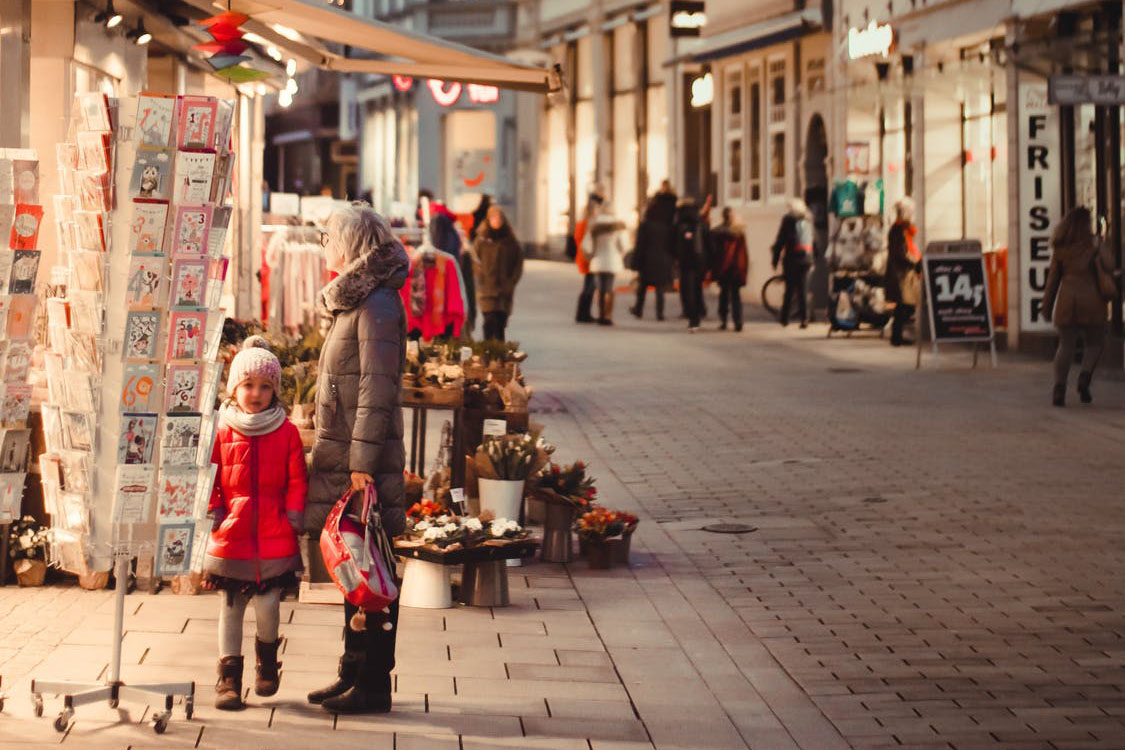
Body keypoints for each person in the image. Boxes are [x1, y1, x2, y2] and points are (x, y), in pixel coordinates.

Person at [306, 203, 409, 714]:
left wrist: (362, 460)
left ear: (351, 242)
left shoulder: (378, 304)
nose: (325, 245)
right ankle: (352, 673)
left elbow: (377, 387)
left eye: (329, 237)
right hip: (349, 453)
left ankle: (374, 684)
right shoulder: (358, 300)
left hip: (365, 461)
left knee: (375, 573)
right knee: (356, 570)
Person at [204, 336, 307, 712]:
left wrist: (293, 515)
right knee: (231, 606)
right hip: (231, 534)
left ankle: (267, 661)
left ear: (275, 391)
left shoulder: (287, 431)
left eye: (265, 386)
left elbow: (297, 479)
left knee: (268, 605)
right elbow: (210, 474)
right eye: (248, 385)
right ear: (234, 387)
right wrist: (214, 509)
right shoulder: (221, 428)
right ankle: (229, 677)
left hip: (274, 533)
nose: (256, 393)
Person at [1043, 206, 1115, 406]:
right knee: (1095, 343)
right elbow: (1110, 264)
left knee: (1065, 345)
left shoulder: (1061, 248)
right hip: (1092, 301)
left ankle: (1059, 389)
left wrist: (1047, 307)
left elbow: (1052, 281)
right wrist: (1100, 245)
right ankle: (1084, 377)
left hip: (1067, 301)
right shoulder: (1093, 244)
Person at [474, 204, 524, 341]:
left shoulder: (510, 241)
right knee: (489, 321)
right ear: (488, 219)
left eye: (499, 218)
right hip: (486, 289)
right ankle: (488, 352)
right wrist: (480, 280)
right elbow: (474, 261)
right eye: (493, 218)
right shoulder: (481, 240)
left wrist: (511, 282)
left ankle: (499, 354)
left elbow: (518, 264)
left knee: (500, 323)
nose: (496, 221)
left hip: (504, 289)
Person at [629, 193, 677, 320]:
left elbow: (640, 245)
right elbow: (672, 244)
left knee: (642, 287)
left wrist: (635, 263)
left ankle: (638, 309)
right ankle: (659, 313)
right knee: (660, 289)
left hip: (647, 260)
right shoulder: (667, 225)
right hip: (662, 259)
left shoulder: (645, 225)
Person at [582, 199, 628, 326]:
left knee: (600, 288)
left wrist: (590, 256)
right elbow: (624, 245)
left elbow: (586, 245)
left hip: (598, 260)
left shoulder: (594, 224)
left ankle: (601, 314)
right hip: (612, 260)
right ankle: (608, 315)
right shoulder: (618, 225)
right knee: (610, 288)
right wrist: (620, 253)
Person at [771, 198, 815, 328]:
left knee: (789, 289)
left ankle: (784, 318)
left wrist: (775, 259)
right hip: (806, 258)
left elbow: (781, 240)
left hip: (792, 259)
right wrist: (813, 258)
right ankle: (804, 318)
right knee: (803, 290)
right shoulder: (808, 219)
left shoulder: (788, 219)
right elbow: (814, 240)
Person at [884, 197, 921, 346]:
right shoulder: (899, 230)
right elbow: (901, 253)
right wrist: (915, 262)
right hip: (901, 273)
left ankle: (898, 335)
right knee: (904, 304)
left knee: (905, 304)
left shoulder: (903, 229)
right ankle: (897, 335)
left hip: (904, 272)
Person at [711, 207, 749, 331]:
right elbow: (743, 254)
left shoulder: (717, 232)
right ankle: (738, 321)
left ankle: (723, 320)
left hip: (723, 267)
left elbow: (715, 253)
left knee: (724, 295)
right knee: (736, 296)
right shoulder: (739, 233)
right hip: (736, 267)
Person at [675, 198, 707, 331]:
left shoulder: (681, 224)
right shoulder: (701, 222)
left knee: (688, 290)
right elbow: (708, 242)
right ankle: (699, 313)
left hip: (686, 262)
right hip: (700, 261)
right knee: (697, 289)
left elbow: (675, 244)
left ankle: (693, 318)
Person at [574, 187, 604, 323]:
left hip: (584, 257)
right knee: (589, 287)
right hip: (588, 258)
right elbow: (586, 243)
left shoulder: (581, 223)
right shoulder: (587, 225)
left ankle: (583, 313)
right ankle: (583, 314)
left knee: (588, 286)